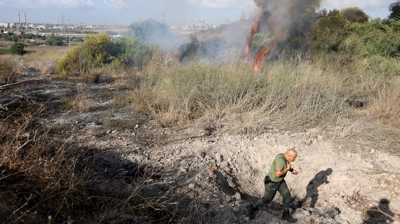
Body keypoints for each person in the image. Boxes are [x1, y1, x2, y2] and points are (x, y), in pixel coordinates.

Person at [246, 148, 298, 222]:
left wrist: (291, 170)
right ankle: (252, 207)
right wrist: (287, 169)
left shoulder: (284, 157)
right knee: (267, 199)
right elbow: (278, 174)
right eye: (294, 157)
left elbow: (283, 167)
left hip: (280, 182)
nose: (295, 159)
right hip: (272, 183)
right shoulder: (280, 160)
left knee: (287, 196)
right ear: (289, 156)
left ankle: (285, 215)